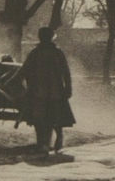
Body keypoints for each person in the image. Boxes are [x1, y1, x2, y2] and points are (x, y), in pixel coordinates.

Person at [12, 26, 75, 154]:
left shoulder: (42, 53)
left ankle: (49, 141)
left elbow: (24, 70)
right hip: (49, 91)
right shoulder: (51, 52)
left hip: (43, 91)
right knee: (48, 118)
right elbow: (66, 73)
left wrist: (17, 81)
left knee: (44, 118)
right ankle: (44, 142)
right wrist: (68, 87)